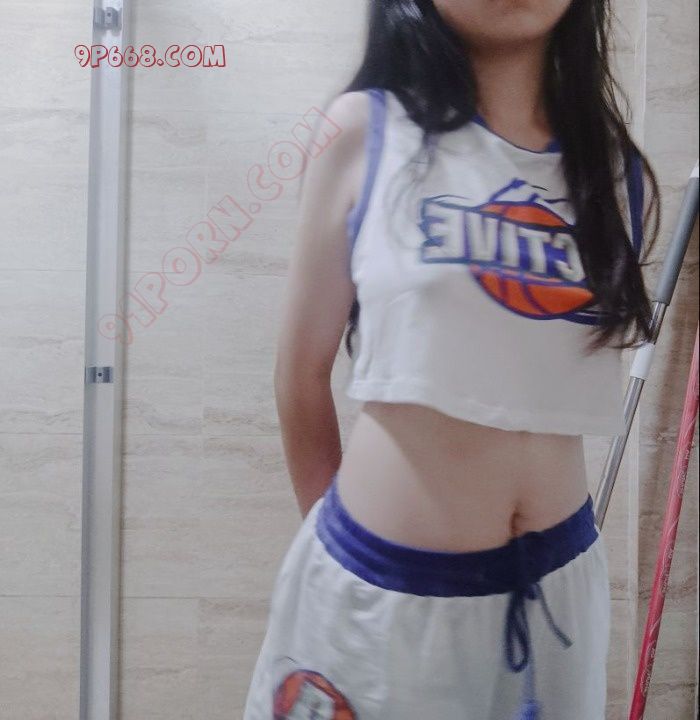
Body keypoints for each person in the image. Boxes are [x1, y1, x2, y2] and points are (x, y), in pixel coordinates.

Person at [243, 1, 660, 718]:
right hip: (383, 587)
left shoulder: (616, 175)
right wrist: (340, 558)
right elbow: (300, 375)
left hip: (558, 590)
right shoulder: (363, 130)